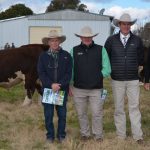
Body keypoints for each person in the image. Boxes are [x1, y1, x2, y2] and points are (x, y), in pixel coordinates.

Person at [104, 13, 144, 144]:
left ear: (130, 25)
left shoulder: (137, 40)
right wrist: (112, 71)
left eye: (128, 24)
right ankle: (121, 135)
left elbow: (141, 59)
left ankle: (138, 136)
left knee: (134, 107)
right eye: (123, 24)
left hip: (133, 79)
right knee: (119, 108)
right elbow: (106, 58)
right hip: (117, 79)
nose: (126, 26)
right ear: (119, 25)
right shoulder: (111, 40)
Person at [70, 26, 111, 141]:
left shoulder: (101, 49)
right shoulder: (74, 50)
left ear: (93, 36)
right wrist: (70, 85)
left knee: (97, 113)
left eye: (89, 36)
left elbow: (107, 68)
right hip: (78, 89)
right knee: (81, 113)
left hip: (96, 89)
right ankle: (85, 134)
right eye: (84, 36)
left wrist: (98, 77)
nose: (87, 38)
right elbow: (71, 69)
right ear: (80, 37)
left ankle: (98, 135)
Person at [37, 30, 72, 143]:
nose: (55, 43)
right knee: (48, 115)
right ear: (48, 42)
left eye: (56, 40)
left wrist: (59, 85)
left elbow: (68, 73)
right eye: (52, 40)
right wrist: (51, 84)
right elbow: (41, 73)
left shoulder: (66, 55)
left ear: (59, 42)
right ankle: (50, 136)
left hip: (61, 90)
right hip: (48, 90)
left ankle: (61, 135)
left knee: (62, 115)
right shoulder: (43, 56)